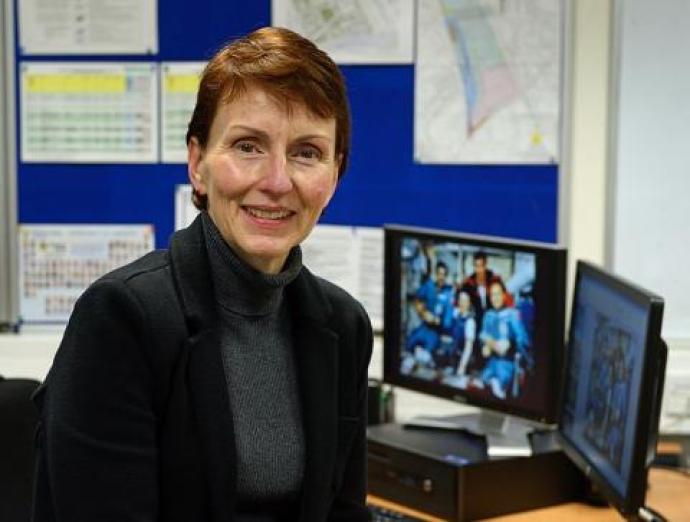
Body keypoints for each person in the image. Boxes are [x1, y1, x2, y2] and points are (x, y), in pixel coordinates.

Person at [31, 27, 373, 522]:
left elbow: (343, 511)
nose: (277, 181)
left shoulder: (343, 324)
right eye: (248, 146)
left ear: (334, 174)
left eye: (306, 152)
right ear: (197, 164)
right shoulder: (123, 317)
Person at [478, 280, 528, 399]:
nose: (495, 298)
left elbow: (524, 341)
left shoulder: (513, 315)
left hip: (508, 364)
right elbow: (483, 334)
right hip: (491, 363)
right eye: (492, 295)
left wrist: (511, 343)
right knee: (481, 385)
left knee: (498, 390)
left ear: (504, 295)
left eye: (498, 294)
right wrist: (484, 345)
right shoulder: (488, 315)